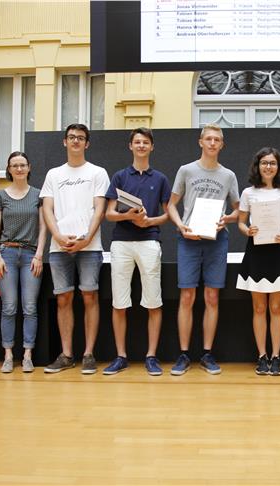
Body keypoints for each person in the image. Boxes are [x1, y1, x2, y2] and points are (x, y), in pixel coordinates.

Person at [166, 124, 240, 375]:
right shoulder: (186, 170)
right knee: (187, 296)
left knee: (211, 297)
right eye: (208, 138)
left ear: (222, 144)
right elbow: (171, 205)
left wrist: (227, 219)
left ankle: (207, 354)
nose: (212, 143)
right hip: (188, 239)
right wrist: (180, 225)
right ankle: (184, 354)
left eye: (216, 139)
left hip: (216, 240)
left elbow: (239, 209)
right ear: (200, 142)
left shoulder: (228, 175)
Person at [41, 123, 110, 374]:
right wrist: (58, 236)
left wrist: (85, 238)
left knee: (90, 296)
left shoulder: (98, 172)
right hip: (59, 247)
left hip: (90, 247)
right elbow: (47, 208)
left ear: (87, 143)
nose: (76, 141)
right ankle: (67, 354)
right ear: (64, 142)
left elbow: (100, 209)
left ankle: (89, 353)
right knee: (64, 298)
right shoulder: (53, 174)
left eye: (81, 138)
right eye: (71, 137)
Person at [102, 128, 171, 376]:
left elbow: (167, 214)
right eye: (137, 142)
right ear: (130, 146)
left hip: (149, 242)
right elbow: (109, 213)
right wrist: (127, 216)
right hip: (121, 242)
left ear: (152, 147)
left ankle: (151, 356)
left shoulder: (160, 178)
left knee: (153, 300)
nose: (141, 146)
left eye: (146, 142)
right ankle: (121, 356)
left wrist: (149, 221)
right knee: (119, 302)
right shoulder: (120, 176)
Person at [236, 147, 280, 376]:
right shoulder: (248, 192)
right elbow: (241, 223)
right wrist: (247, 230)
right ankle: (262, 356)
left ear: (278, 166)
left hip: (279, 251)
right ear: (258, 166)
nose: (268, 167)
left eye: (272, 163)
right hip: (257, 251)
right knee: (259, 307)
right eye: (264, 163)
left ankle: (276, 356)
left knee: (276, 307)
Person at [0, 151, 47, 373]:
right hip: (7, 254)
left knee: (30, 307)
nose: (19, 169)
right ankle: (8, 355)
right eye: (14, 165)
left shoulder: (38, 195)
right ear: (9, 169)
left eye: (22, 165)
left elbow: (44, 227)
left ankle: (27, 355)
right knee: (9, 307)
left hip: (31, 255)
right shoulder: (0, 196)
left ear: (29, 167)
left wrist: (40, 255)